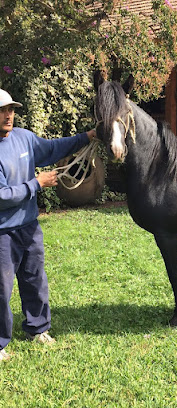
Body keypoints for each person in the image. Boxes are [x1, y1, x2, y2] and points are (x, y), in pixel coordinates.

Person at [0, 88, 96, 361]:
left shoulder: (24, 138)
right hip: (2, 233)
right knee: (1, 288)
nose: (9, 115)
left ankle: (37, 328)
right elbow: (2, 196)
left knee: (34, 279)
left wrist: (86, 137)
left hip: (28, 226)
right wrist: (36, 184)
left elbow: (52, 148)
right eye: (3, 110)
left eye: (11, 109)